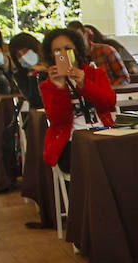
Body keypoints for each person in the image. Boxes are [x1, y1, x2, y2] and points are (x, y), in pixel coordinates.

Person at [39, 27, 116, 170]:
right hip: (71, 142)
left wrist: (84, 84)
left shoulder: (95, 74)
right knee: (93, 161)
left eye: (68, 49)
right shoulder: (48, 85)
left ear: (77, 50)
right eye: (57, 51)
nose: (63, 54)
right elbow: (57, 119)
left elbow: (109, 103)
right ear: (51, 55)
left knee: (120, 155)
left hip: (102, 133)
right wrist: (60, 88)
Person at [67, 19, 128, 88]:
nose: (77, 41)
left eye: (79, 37)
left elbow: (124, 78)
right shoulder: (72, 58)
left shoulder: (106, 50)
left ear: (86, 35)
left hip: (112, 93)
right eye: (73, 39)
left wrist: (109, 90)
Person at [8, 32, 48, 110]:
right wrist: (33, 74)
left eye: (25, 51)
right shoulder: (19, 76)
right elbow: (35, 102)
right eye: (19, 55)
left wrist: (46, 71)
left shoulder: (52, 63)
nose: (23, 56)